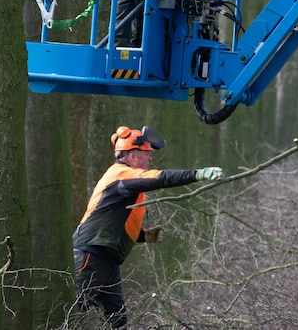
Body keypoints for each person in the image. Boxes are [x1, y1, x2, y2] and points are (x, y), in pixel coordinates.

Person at [72, 125, 223, 327]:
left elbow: (115, 221)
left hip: (107, 261)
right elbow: (160, 178)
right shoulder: (121, 175)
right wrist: (198, 174)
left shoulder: (124, 181)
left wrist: (144, 236)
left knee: (117, 320)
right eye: (146, 155)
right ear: (132, 156)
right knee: (74, 312)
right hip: (91, 256)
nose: (150, 159)